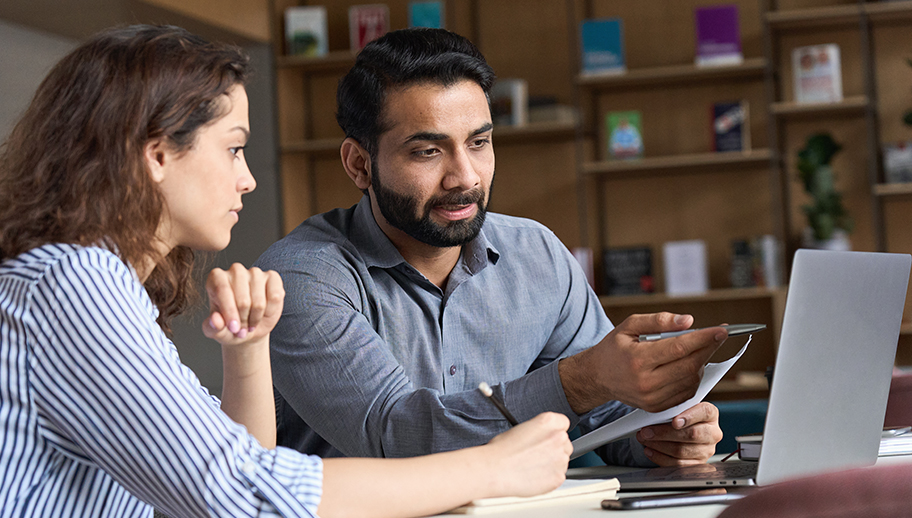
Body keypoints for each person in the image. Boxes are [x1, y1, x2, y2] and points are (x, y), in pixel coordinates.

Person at [0, 25, 574, 518]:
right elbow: (242, 493)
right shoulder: (70, 284)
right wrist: (489, 468)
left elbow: (230, 477)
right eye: (232, 149)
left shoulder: (96, 285)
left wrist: (247, 352)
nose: (247, 179)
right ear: (156, 156)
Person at [256, 27, 726, 468]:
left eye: (478, 142)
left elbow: (609, 421)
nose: (466, 177)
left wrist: (666, 434)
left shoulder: (536, 254)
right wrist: (583, 379)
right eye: (428, 151)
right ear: (360, 164)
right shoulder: (301, 277)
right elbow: (396, 436)